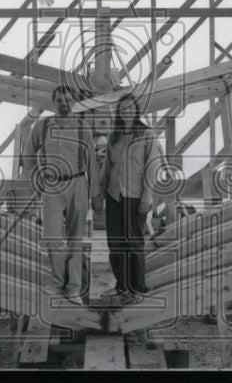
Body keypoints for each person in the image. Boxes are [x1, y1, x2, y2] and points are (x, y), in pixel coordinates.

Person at [23, 84, 97, 305]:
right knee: (53, 237)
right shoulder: (42, 127)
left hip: (78, 184)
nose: (64, 104)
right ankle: (57, 283)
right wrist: (34, 179)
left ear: (73, 102)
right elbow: (28, 155)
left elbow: (92, 162)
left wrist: (96, 194)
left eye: (68, 100)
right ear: (54, 103)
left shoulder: (83, 128)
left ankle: (73, 288)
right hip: (52, 187)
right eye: (60, 101)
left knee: (75, 238)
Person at [91, 94, 164, 304]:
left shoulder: (146, 135)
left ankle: (137, 289)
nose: (126, 111)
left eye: (130, 108)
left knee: (134, 243)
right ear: (119, 112)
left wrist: (146, 197)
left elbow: (153, 166)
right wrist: (98, 195)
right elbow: (106, 169)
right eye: (122, 108)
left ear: (136, 110)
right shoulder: (114, 136)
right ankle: (121, 287)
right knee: (115, 244)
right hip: (114, 196)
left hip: (135, 197)